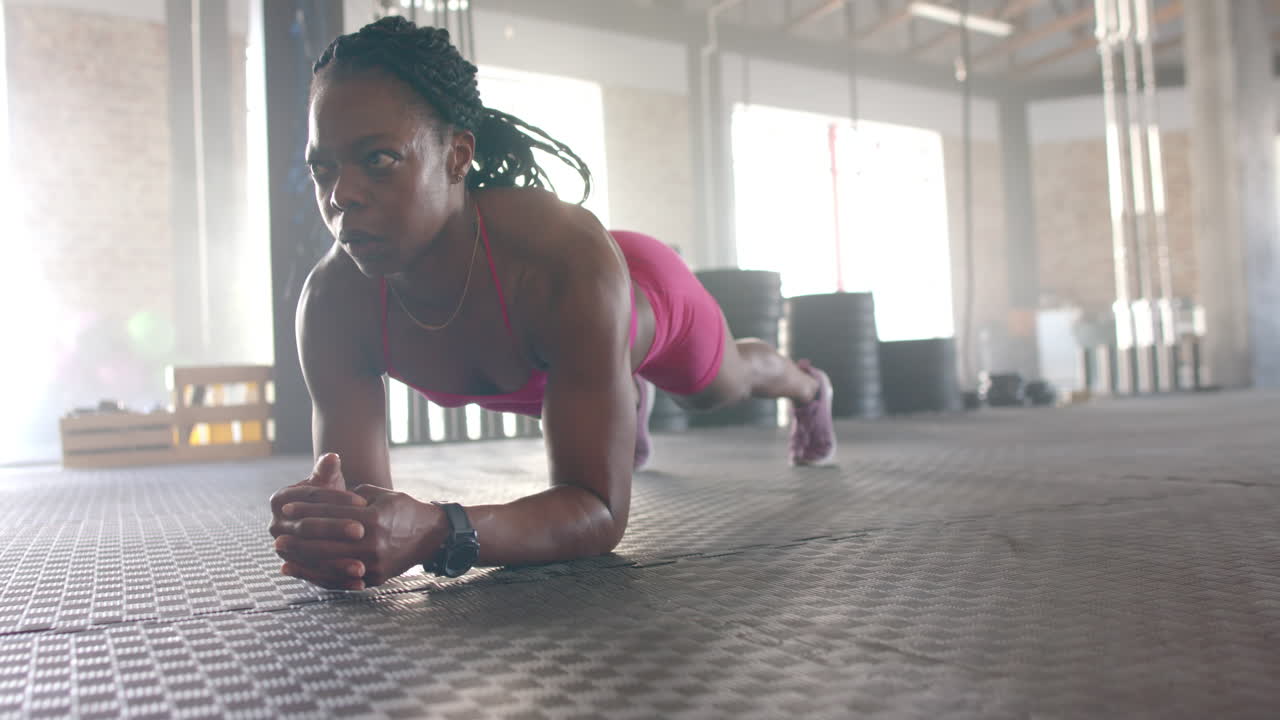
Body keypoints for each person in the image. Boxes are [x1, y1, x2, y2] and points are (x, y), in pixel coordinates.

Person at [268, 17, 836, 591]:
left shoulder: (561, 263)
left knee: (721, 386)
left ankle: (808, 385)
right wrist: (329, 530)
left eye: (379, 160)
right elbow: (360, 516)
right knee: (595, 391)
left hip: (644, 298)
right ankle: (614, 399)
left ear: (457, 156)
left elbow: (598, 513)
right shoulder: (331, 304)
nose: (341, 195)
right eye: (324, 168)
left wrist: (442, 529)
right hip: (572, 355)